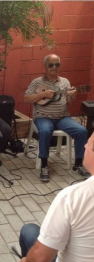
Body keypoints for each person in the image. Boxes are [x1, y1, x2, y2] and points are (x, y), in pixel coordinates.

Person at [18, 132, 94, 262]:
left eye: (89, 144)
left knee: (28, 232)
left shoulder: (73, 197)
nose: (84, 145)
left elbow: (39, 259)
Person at [24, 54, 90, 182]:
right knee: (45, 131)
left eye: (57, 64)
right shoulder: (37, 82)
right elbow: (26, 98)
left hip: (62, 117)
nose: (54, 67)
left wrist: (72, 95)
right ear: (45, 66)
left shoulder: (65, 82)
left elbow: (70, 103)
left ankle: (78, 164)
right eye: (51, 64)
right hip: (43, 117)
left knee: (82, 131)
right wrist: (44, 94)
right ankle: (44, 165)